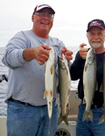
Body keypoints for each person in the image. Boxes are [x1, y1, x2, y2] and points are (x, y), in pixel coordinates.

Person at [2, 4, 73, 136]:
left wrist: (67, 60)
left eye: (49, 15)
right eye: (41, 14)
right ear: (32, 18)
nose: (45, 18)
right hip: (22, 110)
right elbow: (7, 58)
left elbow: (65, 73)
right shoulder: (22, 37)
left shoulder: (58, 43)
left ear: (53, 20)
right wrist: (31, 53)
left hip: (50, 109)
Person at [70, 19, 105, 136]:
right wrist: (79, 59)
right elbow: (73, 76)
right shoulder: (84, 55)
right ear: (87, 36)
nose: (95, 37)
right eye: (92, 34)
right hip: (84, 108)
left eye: (99, 33)